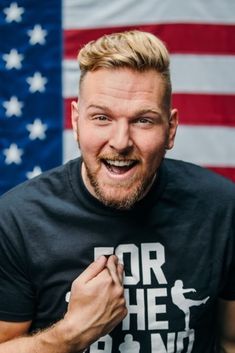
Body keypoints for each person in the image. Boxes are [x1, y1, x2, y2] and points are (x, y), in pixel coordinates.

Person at [0, 30, 234, 353]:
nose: (121, 141)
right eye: (101, 117)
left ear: (171, 129)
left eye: (143, 120)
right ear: (76, 121)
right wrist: (70, 334)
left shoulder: (222, 208)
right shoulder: (16, 220)